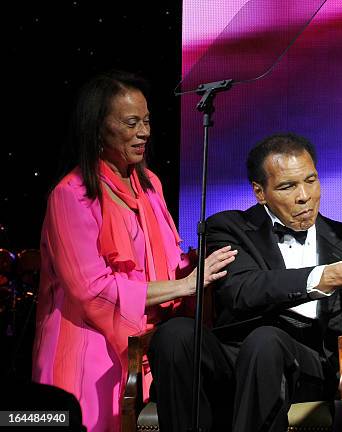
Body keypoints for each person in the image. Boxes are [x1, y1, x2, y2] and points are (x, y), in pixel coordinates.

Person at [149, 133, 342, 432]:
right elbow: (242, 290)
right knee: (175, 333)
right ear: (260, 191)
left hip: (309, 368)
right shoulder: (229, 228)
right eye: (287, 186)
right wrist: (331, 275)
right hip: (236, 358)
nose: (304, 196)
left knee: (267, 342)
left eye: (311, 180)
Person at [31, 71, 236, 432]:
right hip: (90, 346)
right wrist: (185, 286)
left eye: (147, 120)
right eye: (131, 123)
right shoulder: (72, 195)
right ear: (97, 129)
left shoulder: (149, 183)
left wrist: (207, 263)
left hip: (146, 341)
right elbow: (93, 291)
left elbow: (167, 262)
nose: (145, 132)